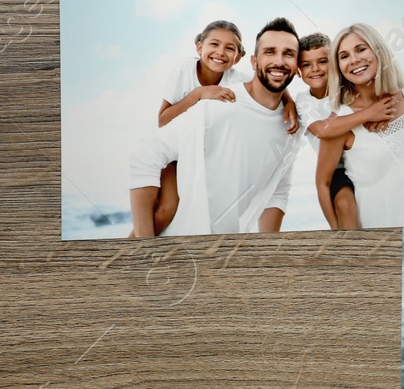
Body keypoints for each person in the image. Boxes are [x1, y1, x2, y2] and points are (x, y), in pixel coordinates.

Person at [127, 18, 305, 235]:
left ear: (238, 57)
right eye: (270, 52)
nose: (221, 52)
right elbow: (162, 123)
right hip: (172, 143)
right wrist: (199, 94)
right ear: (199, 46)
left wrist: (289, 102)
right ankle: (134, 246)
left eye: (229, 48)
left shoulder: (234, 80)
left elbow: (271, 79)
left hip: (219, 224)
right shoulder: (189, 75)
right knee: (166, 209)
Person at [314, 24, 404, 229]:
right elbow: (324, 183)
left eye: (361, 49)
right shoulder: (341, 122)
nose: (354, 59)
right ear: (338, 67)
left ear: (378, 50)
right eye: (344, 56)